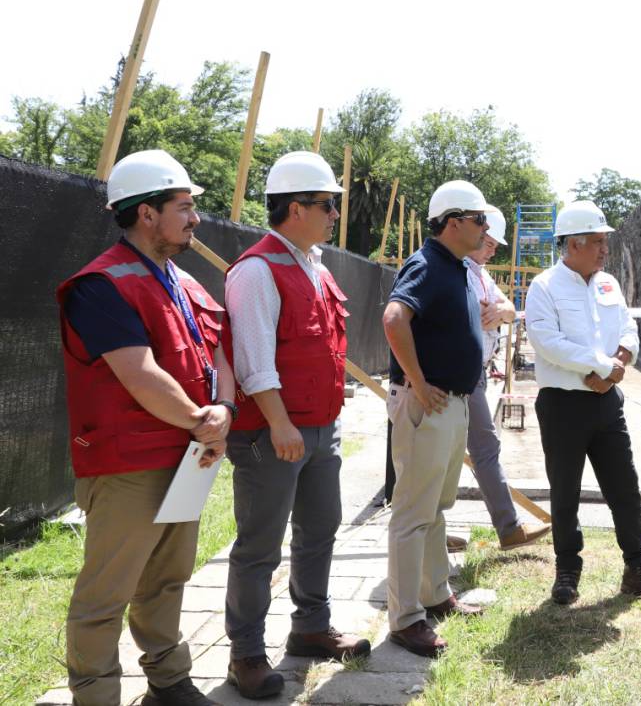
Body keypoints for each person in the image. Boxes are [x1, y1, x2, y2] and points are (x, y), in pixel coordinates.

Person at [57, 149, 233, 706]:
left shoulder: (183, 281)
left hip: (187, 456)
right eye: (184, 206)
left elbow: (219, 351)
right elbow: (139, 371)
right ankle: (96, 697)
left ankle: (169, 681)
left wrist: (224, 409)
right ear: (146, 213)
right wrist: (201, 419)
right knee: (105, 595)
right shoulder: (99, 284)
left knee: (168, 578)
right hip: (127, 464)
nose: (195, 218)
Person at [222, 152, 370, 698]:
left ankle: (310, 627)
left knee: (319, 531)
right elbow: (253, 358)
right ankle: (247, 654)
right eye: (327, 204)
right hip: (272, 434)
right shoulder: (257, 271)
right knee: (260, 546)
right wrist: (281, 424)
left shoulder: (316, 265)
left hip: (319, 428)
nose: (334, 214)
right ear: (294, 207)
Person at [524, 200, 641, 607]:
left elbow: (628, 328)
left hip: (607, 402)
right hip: (562, 405)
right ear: (572, 244)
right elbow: (546, 341)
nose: (605, 248)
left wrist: (618, 365)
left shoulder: (608, 283)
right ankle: (567, 571)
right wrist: (601, 365)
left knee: (624, 486)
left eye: (605, 241)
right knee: (565, 491)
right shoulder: (544, 286)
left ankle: (638, 568)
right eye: (597, 241)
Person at [381, 180, 494, 658]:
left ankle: (433, 594)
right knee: (413, 512)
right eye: (479, 220)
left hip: (451, 404)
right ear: (453, 222)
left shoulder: (456, 268)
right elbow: (393, 318)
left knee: (436, 507)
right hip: (430, 404)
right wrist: (419, 381)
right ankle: (406, 618)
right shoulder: (426, 264)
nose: (486, 228)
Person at [463, 208, 551, 549]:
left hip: (474, 375)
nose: (493, 249)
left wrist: (504, 312)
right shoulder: (461, 272)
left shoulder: (479, 273)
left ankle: (430, 534)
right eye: (488, 242)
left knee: (470, 451)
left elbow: (510, 310)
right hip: (463, 377)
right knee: (483, 450)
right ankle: (509, 527)